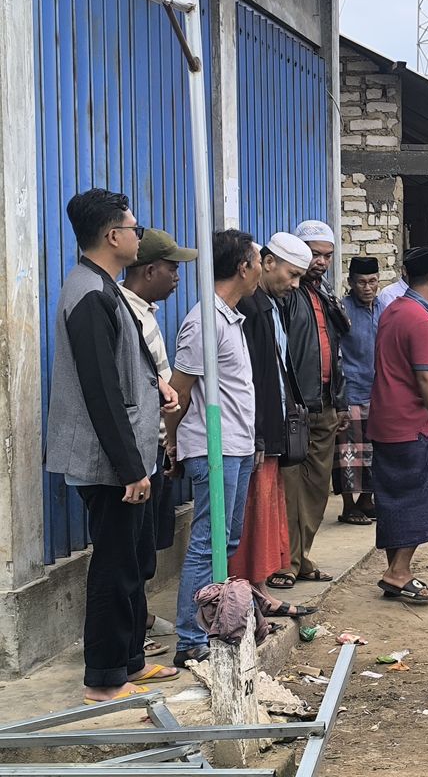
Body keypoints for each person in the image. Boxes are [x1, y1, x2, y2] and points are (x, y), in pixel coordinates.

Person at [47, 189, 181, 703]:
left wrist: (158, 385)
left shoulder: (104, 288)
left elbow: (123, 366)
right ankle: (103, 680)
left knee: (134, 561)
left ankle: (129, 661)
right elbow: (99, 390)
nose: (139, 234)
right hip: (109, 465)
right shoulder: (88, 294)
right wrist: (131, 468)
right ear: (112, 236)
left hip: (127, 457)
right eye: (135, 226)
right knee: (113, 565)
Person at [166, 229, 262, 667]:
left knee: (227, 539)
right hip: (212, 448)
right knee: (208, 542)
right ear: (243, 267)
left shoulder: (229, 318)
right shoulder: (204, 321)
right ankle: (189, 638)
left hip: (237, 446)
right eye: (258, 260)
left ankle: (213, 624)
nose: (261, 267)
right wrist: (171, 442)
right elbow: (178, 391)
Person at [118, 228, 198, 656]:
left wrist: (168, 442)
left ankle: (140, 616)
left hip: (155, 447)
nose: (177, 276)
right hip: (136, 454)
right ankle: (131, 629)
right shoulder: (123, 313)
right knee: (131, 551)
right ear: (149, 269)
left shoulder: (144, 312)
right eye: (172, 268)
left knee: (148, 547)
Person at [370, 246, 428, 604]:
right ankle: (398, 571)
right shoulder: (422, 319)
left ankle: (396, 570)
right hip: (411, 424)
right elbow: (426, 381)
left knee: (394, 499)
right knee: (422, 498)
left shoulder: (394, 309)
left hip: (386, 420)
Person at [229, 232, 315, 619]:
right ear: (266, 263)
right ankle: (246, 594)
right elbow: (254, 378)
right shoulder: (248, 307)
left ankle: (259, 590)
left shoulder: (271, 304)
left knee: (266, 514)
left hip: (269, 428)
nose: (295, 284)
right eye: (292, 275)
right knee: (251, 518)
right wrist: (261, 431)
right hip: (254, 432)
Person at [272, 220, 350, 589]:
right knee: (291, 487)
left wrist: (343, 400)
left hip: (327, 403)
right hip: (296, 408)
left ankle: (302, 556)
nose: (320, 262)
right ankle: (287, 562)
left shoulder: (324, 294)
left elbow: (336, 352)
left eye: (327, 255)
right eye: (315, 254)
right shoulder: (287, 294)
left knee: (318, 488)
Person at [335, 256, 384, 526]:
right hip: (350, 390)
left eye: (372, 282)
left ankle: (367, 500)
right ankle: (348, 505)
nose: (367, 287)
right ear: (351, 283)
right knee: (348, 453)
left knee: (372, 451)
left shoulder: (384, 308)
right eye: (362, 282)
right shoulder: (343, 310)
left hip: (377, 391)